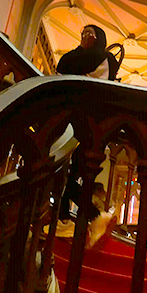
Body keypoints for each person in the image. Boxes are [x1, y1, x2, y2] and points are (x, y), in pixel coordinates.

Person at [54, 25, 118, 234]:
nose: (85, 37)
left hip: (88, 121)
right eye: (82, 33)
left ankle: (85, 217)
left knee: (69, 175)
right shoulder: (76, 56)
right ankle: (73, 218)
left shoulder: (105, 58)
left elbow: (94, 82)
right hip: (67, 118)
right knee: (64, 175)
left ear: (99, 38)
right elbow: (63, 67)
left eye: (90, 34)